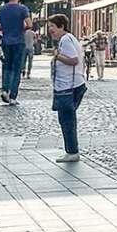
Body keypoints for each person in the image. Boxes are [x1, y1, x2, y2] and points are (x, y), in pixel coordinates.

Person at [47, 13, 87, 163]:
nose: (50, 29)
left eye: (52, 26)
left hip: (69, 86)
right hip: (68, 85)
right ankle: (71, 150)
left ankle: (72, 151)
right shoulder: (67, 39)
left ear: (61, 26)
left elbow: (73, 60)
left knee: (67, 120)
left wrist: (57, 56)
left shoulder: (66, 40)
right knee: (66, 119)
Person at [0, 0, 32, 106]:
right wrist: (21, 28)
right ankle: (13, 97)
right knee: (16, 69)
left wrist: (4, 28)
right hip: (19, 42)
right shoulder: (22, 9)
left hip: (6, 41)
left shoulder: (1, 9)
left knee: (7, 67)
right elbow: (29, 24)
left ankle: (5, 90)